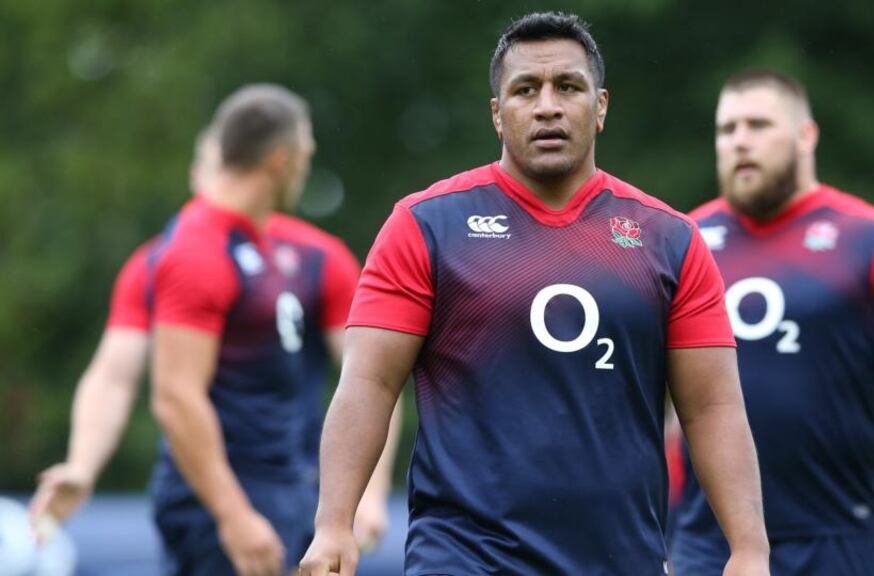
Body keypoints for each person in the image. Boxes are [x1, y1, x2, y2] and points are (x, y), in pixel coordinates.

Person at [300, 12, 769, 576]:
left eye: (568, 86)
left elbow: (713, 406)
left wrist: (749, 549)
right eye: (526, 90)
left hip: (621, 558)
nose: (547, 105)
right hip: (464, 556)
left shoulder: (670, 239)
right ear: (498, 116)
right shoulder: (425, 225)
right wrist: (333, 525)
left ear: (599, 108)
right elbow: (369, 382)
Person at [27, 127, 400, 558]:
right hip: (200, 500)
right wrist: (82, 465)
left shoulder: (320, 258)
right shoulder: (159, 260)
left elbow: (372, 379)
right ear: (197, 174)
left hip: (301, 490)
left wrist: (367, 494)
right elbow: (113, 376)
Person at [672, 68, 874, 575]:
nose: (740, 142)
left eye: (758, 125)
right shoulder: (681, 241)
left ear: (806, 135)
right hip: (711, 540)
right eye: (727, 130)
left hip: (836, 536)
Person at [140, 83, 395, 576]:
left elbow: (372, 373)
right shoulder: (197, 248)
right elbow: (175, 397)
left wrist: (365, 496)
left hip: (291, 493)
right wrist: (233, 516)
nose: (306, 168)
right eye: (306, 156)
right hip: (226, 505)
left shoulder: (294, 250)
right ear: (282, 160)